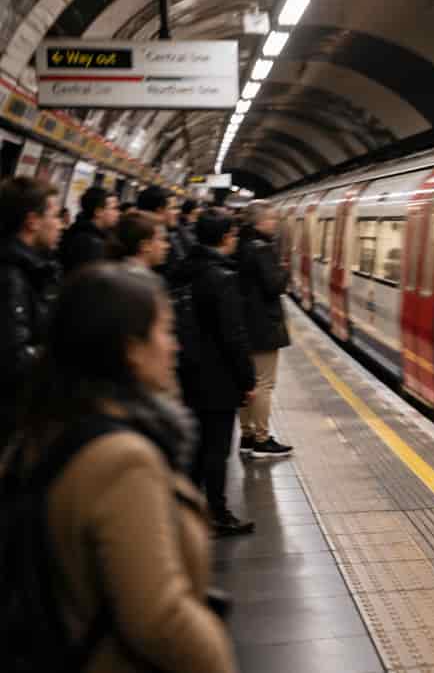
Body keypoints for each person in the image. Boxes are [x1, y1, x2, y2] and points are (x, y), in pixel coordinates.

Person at [4, 264, 236, 672]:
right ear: (131, 348)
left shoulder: (41, 431)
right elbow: (159, 618)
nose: (175, 346)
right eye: (165, 330)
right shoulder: (122, 460)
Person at [176, 211, 256, 535]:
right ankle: (218, 513)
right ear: (225, 238)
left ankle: (188, 510)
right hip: (217, 376)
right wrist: (247, 379)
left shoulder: (183, 269)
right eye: (234, 236)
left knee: (194, 447)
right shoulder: (222, 277)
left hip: (187, 371)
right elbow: (232, 334)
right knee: (216, 449)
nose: (235, 241)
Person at [0, 176, 63, 446]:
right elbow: (13, 357)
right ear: (32, 221)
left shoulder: (33, 269)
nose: (62, 224)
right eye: (55, 215)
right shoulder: (10, 276)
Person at [236, 202, 294, 458]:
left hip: (244, 324)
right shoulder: (262, 250)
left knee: (247, 382)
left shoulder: (240, 246)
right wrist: (285, 271)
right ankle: (261, 438)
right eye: (271, 218)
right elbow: (274, 286)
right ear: (258, 222)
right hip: (263, 327)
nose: (275, 223)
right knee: (263, 384)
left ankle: (247, 434)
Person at [58, 186, 119, 278]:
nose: (118, 213)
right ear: (98, 212)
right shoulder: (90, 244)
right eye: (114, 208)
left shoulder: (84, 233)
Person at [137, 186, 183, 279]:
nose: (178, 212)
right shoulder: (143, 237)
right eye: (173, 208)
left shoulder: (173, 233)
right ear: (159, 211)